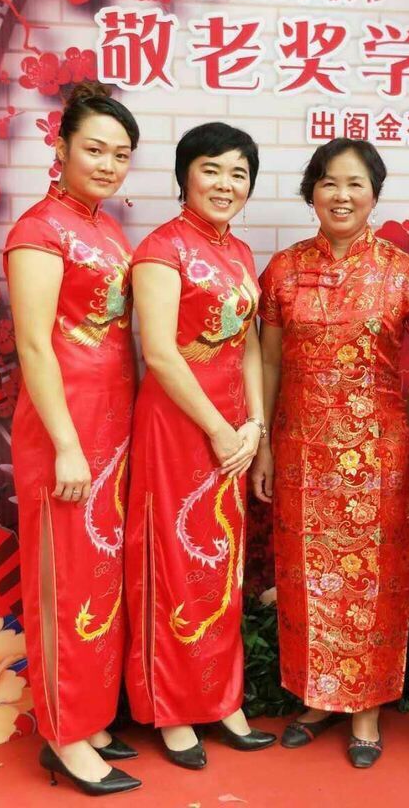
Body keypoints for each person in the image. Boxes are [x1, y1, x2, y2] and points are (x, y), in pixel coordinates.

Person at [251, 137, 409, 768]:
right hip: (300, 450)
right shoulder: (284, 270)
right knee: (307, 578)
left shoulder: (404, 272)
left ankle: (367, 708)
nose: (341, 195)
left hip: (378, 454)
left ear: (375, 194)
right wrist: (264, 444)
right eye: (328, 182)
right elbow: (269, 362)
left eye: (355, 184)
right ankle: (317, 698)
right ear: (311, 192)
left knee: (372, 579)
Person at [124, 122, 275, 769]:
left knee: (221, 564)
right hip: (178, 427)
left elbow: (248, 346)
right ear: (185, 174)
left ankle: (222, 698)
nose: (225, 183)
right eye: (211, 168)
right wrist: (217, 427)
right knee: (174, 560)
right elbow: (159, 352)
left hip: (232, 433)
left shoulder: (238, 252)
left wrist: (255, 426)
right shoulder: (161, 249)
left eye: (239, 173)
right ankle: (173, 707)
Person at [5, 83, 141, 795]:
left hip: (112, 425)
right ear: (60, 149)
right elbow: (34, 344)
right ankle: (62, 736)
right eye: (94, 149)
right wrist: (63, 442)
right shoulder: (39, 229)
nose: (108, 164)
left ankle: (88, 718)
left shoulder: (108, 230)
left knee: (98, 577)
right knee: (62, 578)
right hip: (65, 426)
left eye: (121, 154)